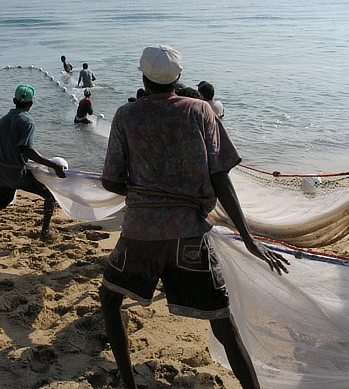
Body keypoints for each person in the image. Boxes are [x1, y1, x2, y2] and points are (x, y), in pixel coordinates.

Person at [99, 44, 289, 389]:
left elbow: (111, 180)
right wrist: (249, 239)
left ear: (143, 78)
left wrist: (145, 192)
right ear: (178, 78)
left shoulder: (126, 115)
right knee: (223, 323)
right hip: (189, 234)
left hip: (141, 233)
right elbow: (220, 177)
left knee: (110, 300)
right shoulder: (201, 111)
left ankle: (128, 384)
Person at [0, 84, 67, 245]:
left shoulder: (2, 121)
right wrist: (53, 165)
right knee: (49, 196)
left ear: (14, 100)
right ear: (32, 103)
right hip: (16, 174)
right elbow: (27, 150)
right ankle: (45, 232)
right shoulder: (27, 121)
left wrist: (7, 159)